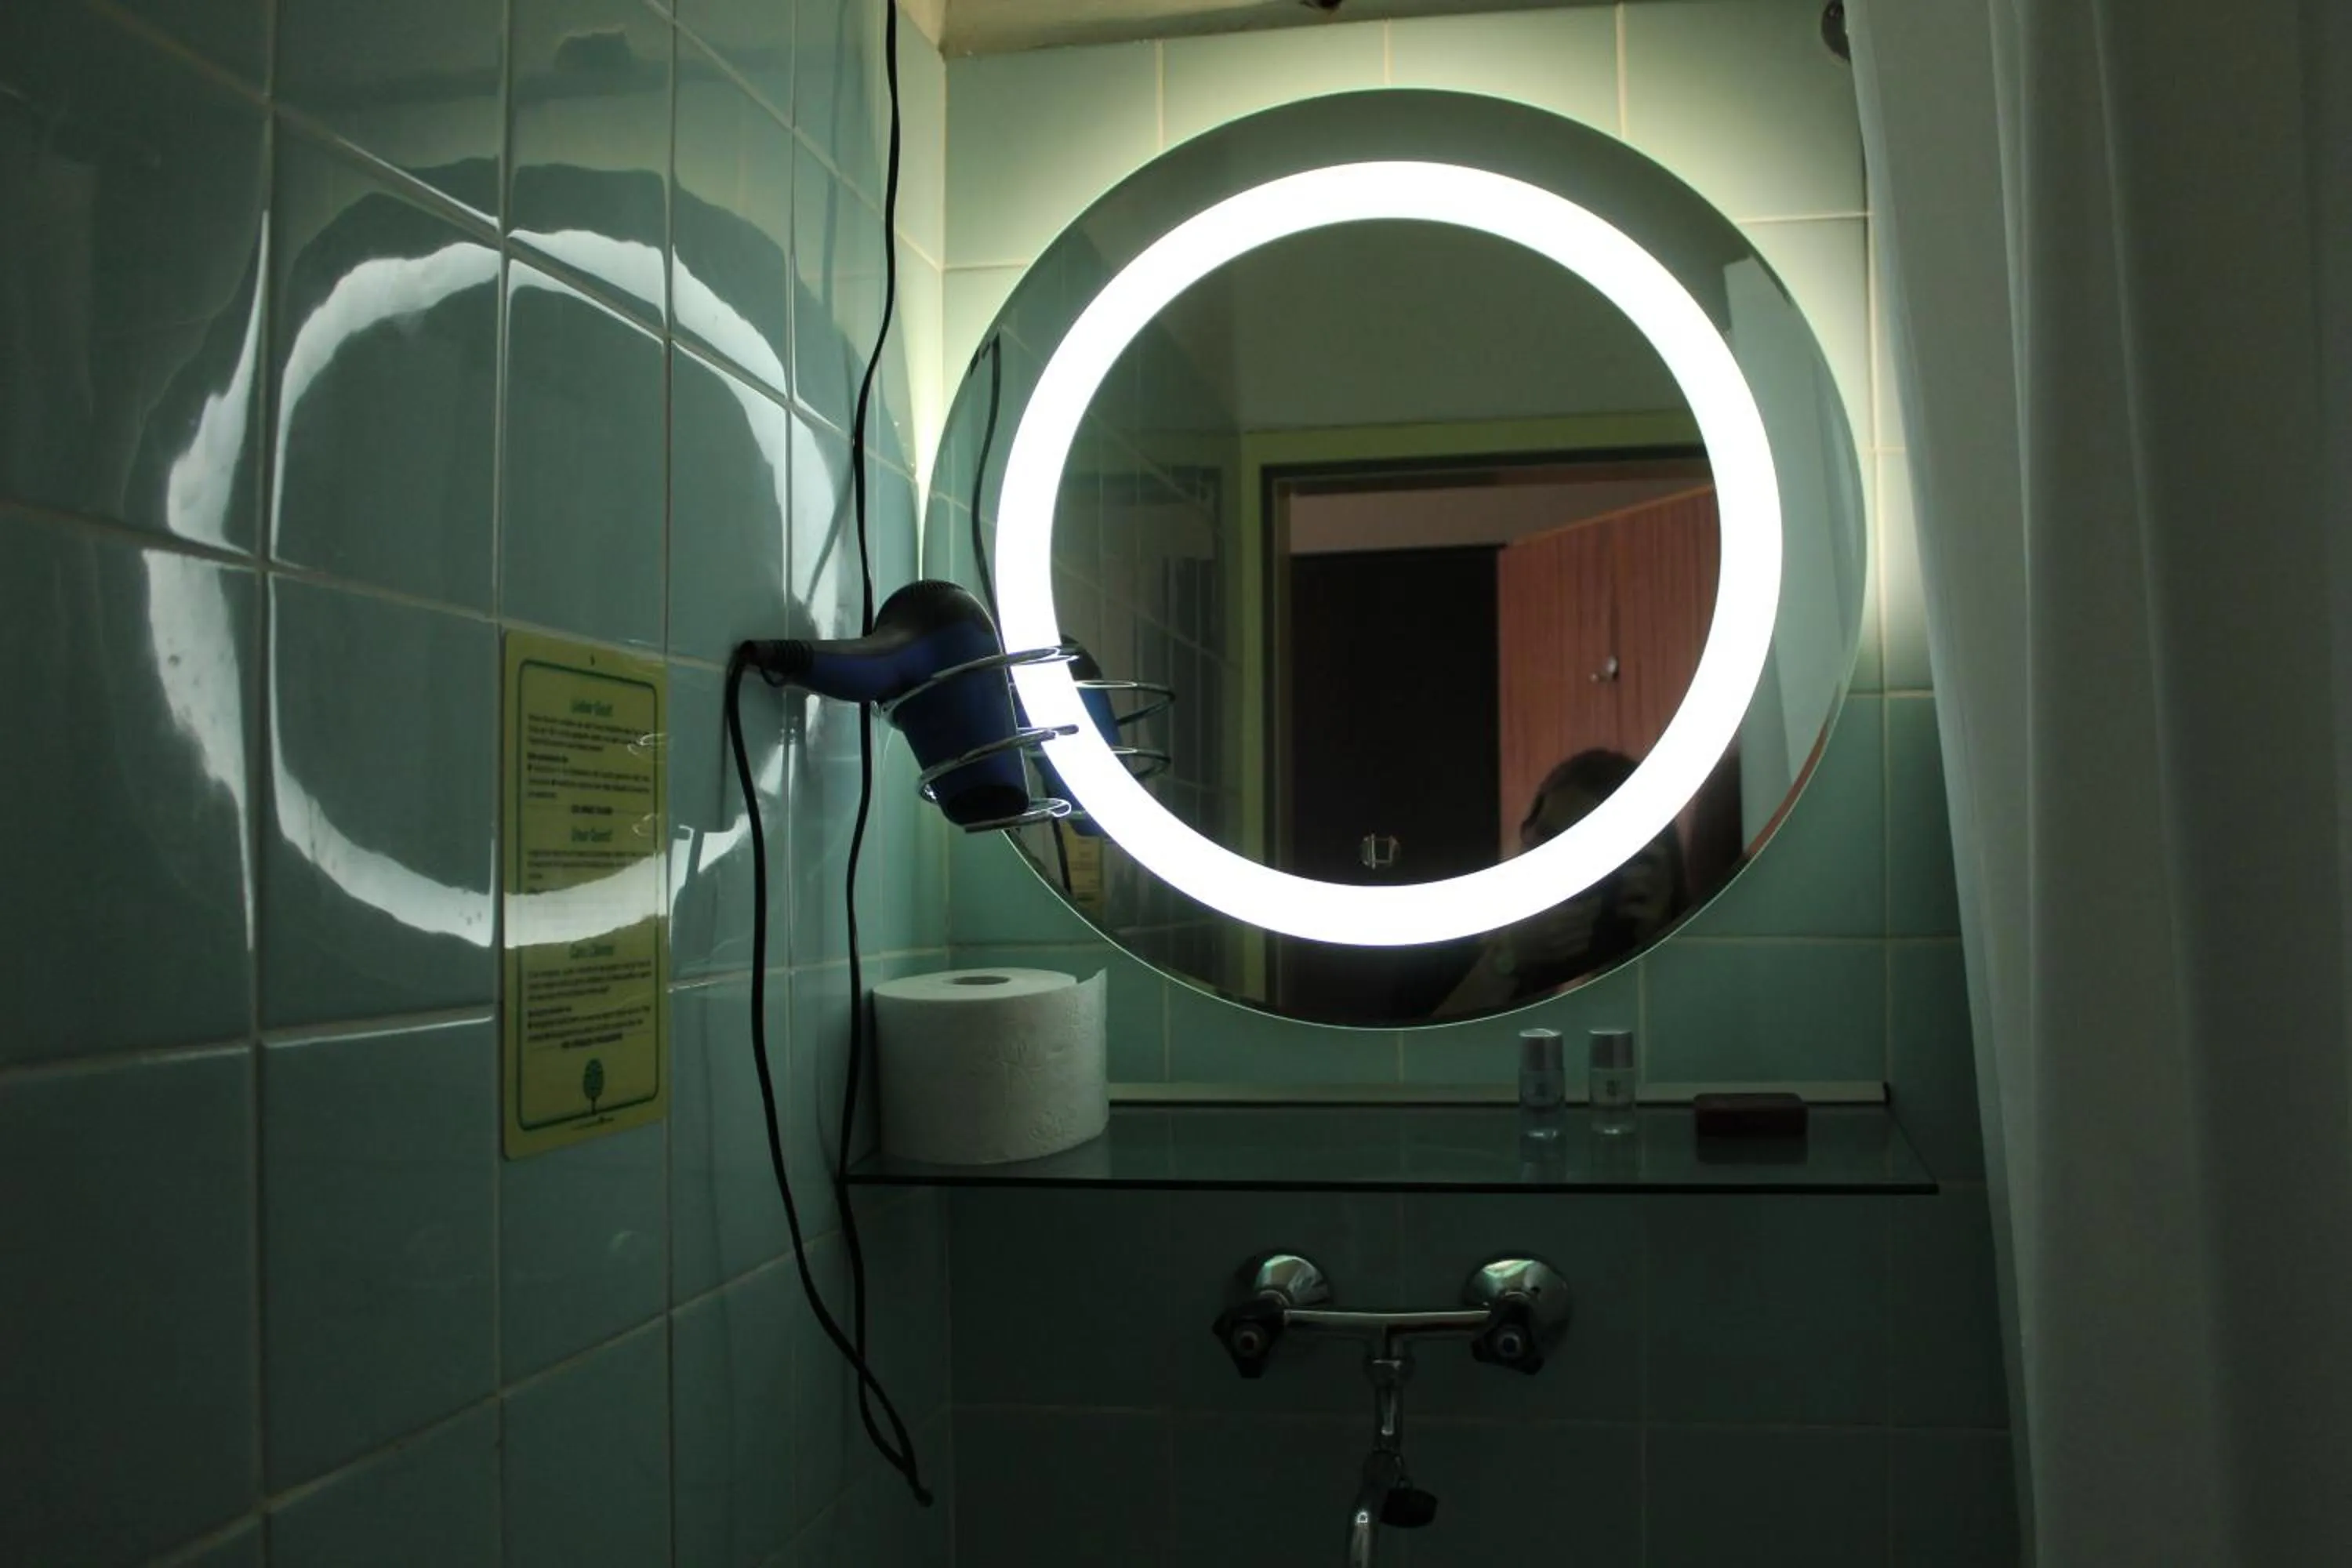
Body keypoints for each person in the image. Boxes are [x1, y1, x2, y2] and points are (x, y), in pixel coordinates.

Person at [1432, 750, 1688, 1016]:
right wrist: (1507, 960)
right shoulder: (1458, 944)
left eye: (1584, 850)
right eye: (1546, 839)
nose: (1555, 867)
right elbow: (1430, 1051)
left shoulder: (1680, 946)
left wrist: (1658, 938)